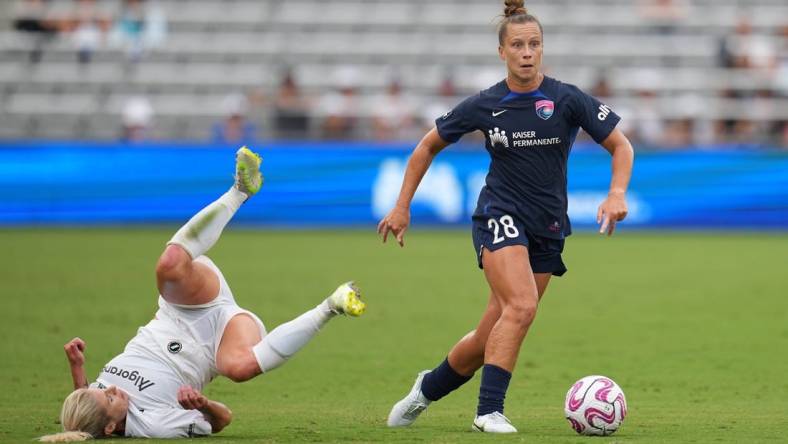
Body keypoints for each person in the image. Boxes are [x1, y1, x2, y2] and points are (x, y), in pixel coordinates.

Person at [377, 0, 633, 434]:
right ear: (502, 52)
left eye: (534, 43)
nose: (527, 52)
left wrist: (616, 193)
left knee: (487, 337)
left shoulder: (566, 98)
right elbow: (426, 147)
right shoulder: (485, 104)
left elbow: (621, 146)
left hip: (548, 226)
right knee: (522, 306)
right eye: (518, 44)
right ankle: (488, 411)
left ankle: (426, 390)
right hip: (499, 214)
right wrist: (402, 206)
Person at [39, 147, 366, 441]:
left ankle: (240, 190)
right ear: (112, 428)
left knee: (169, 265)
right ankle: (332, 305)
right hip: (217, 342)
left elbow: (83, 422)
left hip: (181, 311)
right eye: (109, 397)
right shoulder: (155, 425)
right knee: (239, 369)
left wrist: (78, 369)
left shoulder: (94, 401)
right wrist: (204, 404)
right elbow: (223, 421)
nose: (110, 388)